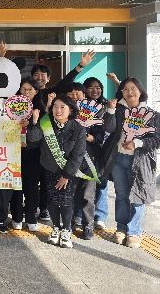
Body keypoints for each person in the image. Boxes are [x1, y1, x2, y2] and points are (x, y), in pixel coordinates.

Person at [101, 77, 159, 248]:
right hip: (118, 158)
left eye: (133, 88)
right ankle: (121, 228)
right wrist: (111, 110)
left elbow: (157, 139)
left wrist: (137, 143)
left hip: (140, 161)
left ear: (140, 91)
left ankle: (134, 232)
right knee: (122, 195)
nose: (129, 92)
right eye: (125, 89)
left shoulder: (153, 115)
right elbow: (109, 129)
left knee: (137, 196)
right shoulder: (119, 111)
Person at [27, 95, 86, 249]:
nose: (58, 110)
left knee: (66, 201)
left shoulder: (78, 129)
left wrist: (66, 176)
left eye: (62, 107)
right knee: (52, 200)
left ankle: (66, 230)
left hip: (69, 172)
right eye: (55, 107)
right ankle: (56, 227)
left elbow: (78, 155)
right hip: (50, 168)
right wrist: (35, 122)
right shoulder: (46, 123)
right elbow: (33, 140)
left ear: (70, 110)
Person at [64, 82, 104, 240]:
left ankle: (88, 225)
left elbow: (100, 136)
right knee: (69, 193)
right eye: (71, 93)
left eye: (78, 93)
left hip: (89, 160)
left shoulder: (94, 112)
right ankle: (69, 223)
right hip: (70, 160)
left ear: (84, 94)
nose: (74, 96)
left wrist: (88, 136)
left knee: (88, 195)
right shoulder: (63, 112)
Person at [9, 77, 46, 232]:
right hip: (14, 152)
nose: (26, 92)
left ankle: (31, 216)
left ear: (36, 91)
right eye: (23, 89)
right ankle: (16, 217)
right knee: (15, 186)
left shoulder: (41, 110)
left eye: (30, 89)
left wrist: (33, 123)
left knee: (31, 187)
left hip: (33, 154)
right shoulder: (10, 107)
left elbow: (37, 137)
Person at [83, 76, 110, 230]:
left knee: (102, 182)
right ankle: (81, 215)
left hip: (105, 148)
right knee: (86, 184)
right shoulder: (81, 106)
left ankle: (100, 216)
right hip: (89, 149)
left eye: (98, 87)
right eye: (91, 87)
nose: (95, 90)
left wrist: (117, 82)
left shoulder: (107, 105)